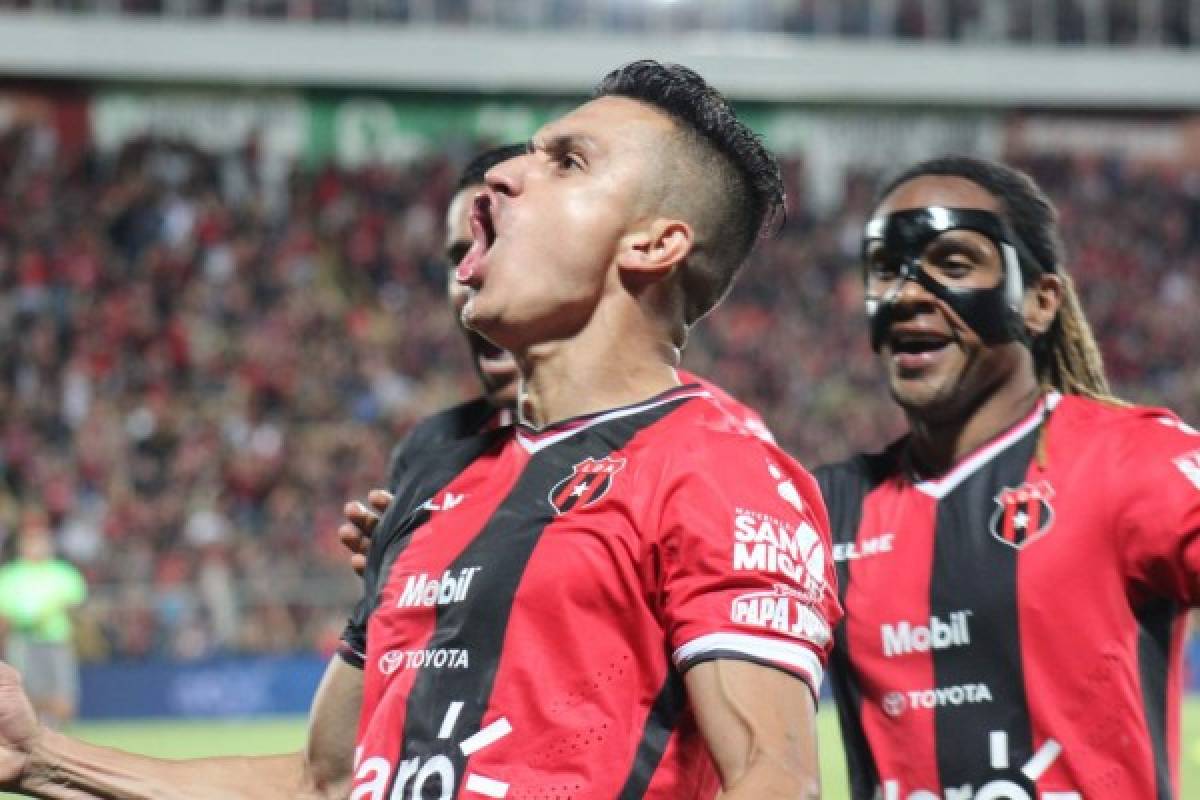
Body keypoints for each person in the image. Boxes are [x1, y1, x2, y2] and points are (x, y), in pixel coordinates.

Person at [0, 61, 840, 799]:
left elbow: (774, 780)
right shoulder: (437, 480)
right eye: (527, 153)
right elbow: (323, 782)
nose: (506, 174)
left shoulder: (719, 470)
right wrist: (38, 759)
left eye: (568, 162)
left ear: (656, 243)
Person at [817, 155, 1200, 799]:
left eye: (955, 263)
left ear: (1041, 302)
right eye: (886, 270)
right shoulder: (824, 510)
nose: (910, 292)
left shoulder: (1132, 463)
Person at [0, 509, 87, 728]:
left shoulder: (63, 573)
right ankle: (38, 738)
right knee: (27, 695)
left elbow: (78, 606)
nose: (37, 544)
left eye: (41, 539)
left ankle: (55, 735)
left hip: (56, 641)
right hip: (23, 641)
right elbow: (5, 614)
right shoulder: (10, 575)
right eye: (31, 539)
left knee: (64, 696)